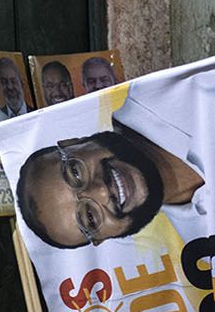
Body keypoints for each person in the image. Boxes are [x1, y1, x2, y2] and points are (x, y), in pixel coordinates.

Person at [13, 98, 205, 250]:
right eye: (90, 218)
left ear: (72, 142)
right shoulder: (208, 239)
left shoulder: (166, 93)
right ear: (102, 238)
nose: (102, 192)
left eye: (76, 173)